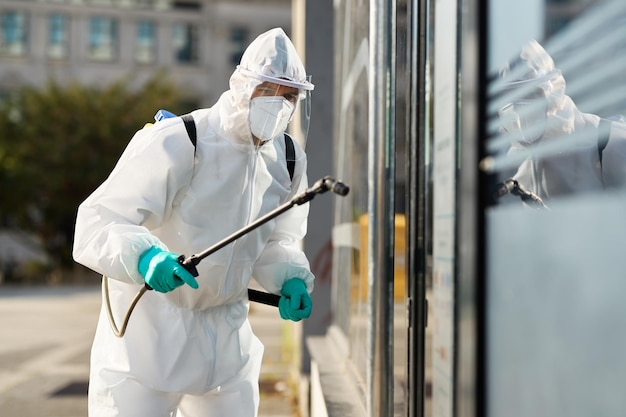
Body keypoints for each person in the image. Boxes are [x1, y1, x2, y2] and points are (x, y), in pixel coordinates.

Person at [73, 27, 315, 417]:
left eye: (289, 96)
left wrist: (289, 277)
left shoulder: (287, 159)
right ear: (242, 86)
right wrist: (144, 258)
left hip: (225, 343)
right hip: (148, 338)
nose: (278, 104)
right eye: (267, 91)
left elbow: (275, 241)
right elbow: (98, 220)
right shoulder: (183, 139)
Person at [497, 39, 626, 203]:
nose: (520, 109)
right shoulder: (506, 163)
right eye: (511, 99)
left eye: (530, 94)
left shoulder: (610, 144)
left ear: (553, 88)